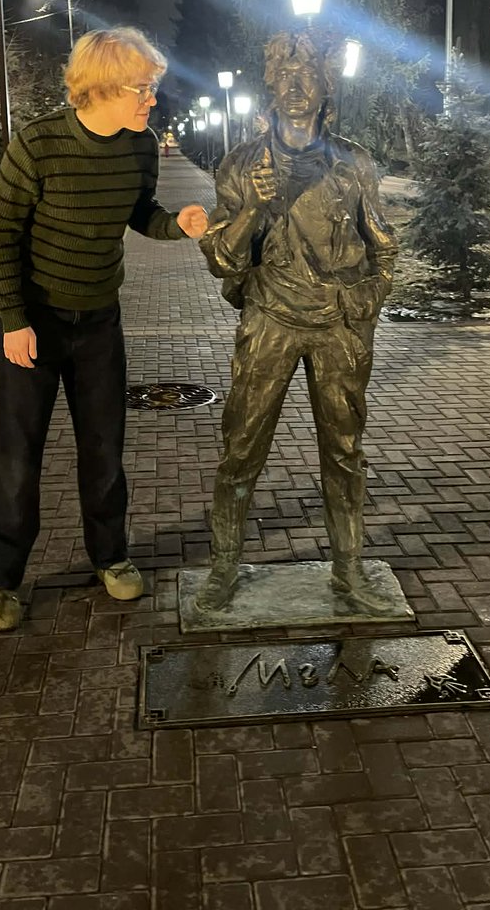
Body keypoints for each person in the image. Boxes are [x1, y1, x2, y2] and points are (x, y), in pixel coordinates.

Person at [0, 27, 208, 631]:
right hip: (36, 325)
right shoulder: (38, 144)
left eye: (153, 88)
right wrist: (13, 319)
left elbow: (140, 214)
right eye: (143, 88)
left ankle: (111, 556)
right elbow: (1, 236)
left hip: (101, 323)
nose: (151, 100)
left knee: (104, 450)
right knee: (17, 457)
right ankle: (0, 580)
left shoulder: (140, 147)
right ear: (103, 87)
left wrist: (176, 224)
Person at [197, 31, 398, 613]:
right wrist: (256, 208)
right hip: (270, 322)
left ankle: (349, 573)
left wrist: (369, 304)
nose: (294, 87)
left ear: (325, 86)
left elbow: (382, 242)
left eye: (306, 75)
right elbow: (220, 260)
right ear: (270, 87)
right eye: (284, 77)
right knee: (242, 449)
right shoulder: (241, 166)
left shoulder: (353, 163)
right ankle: (224, 570)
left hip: (338, 326)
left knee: (344, 451)